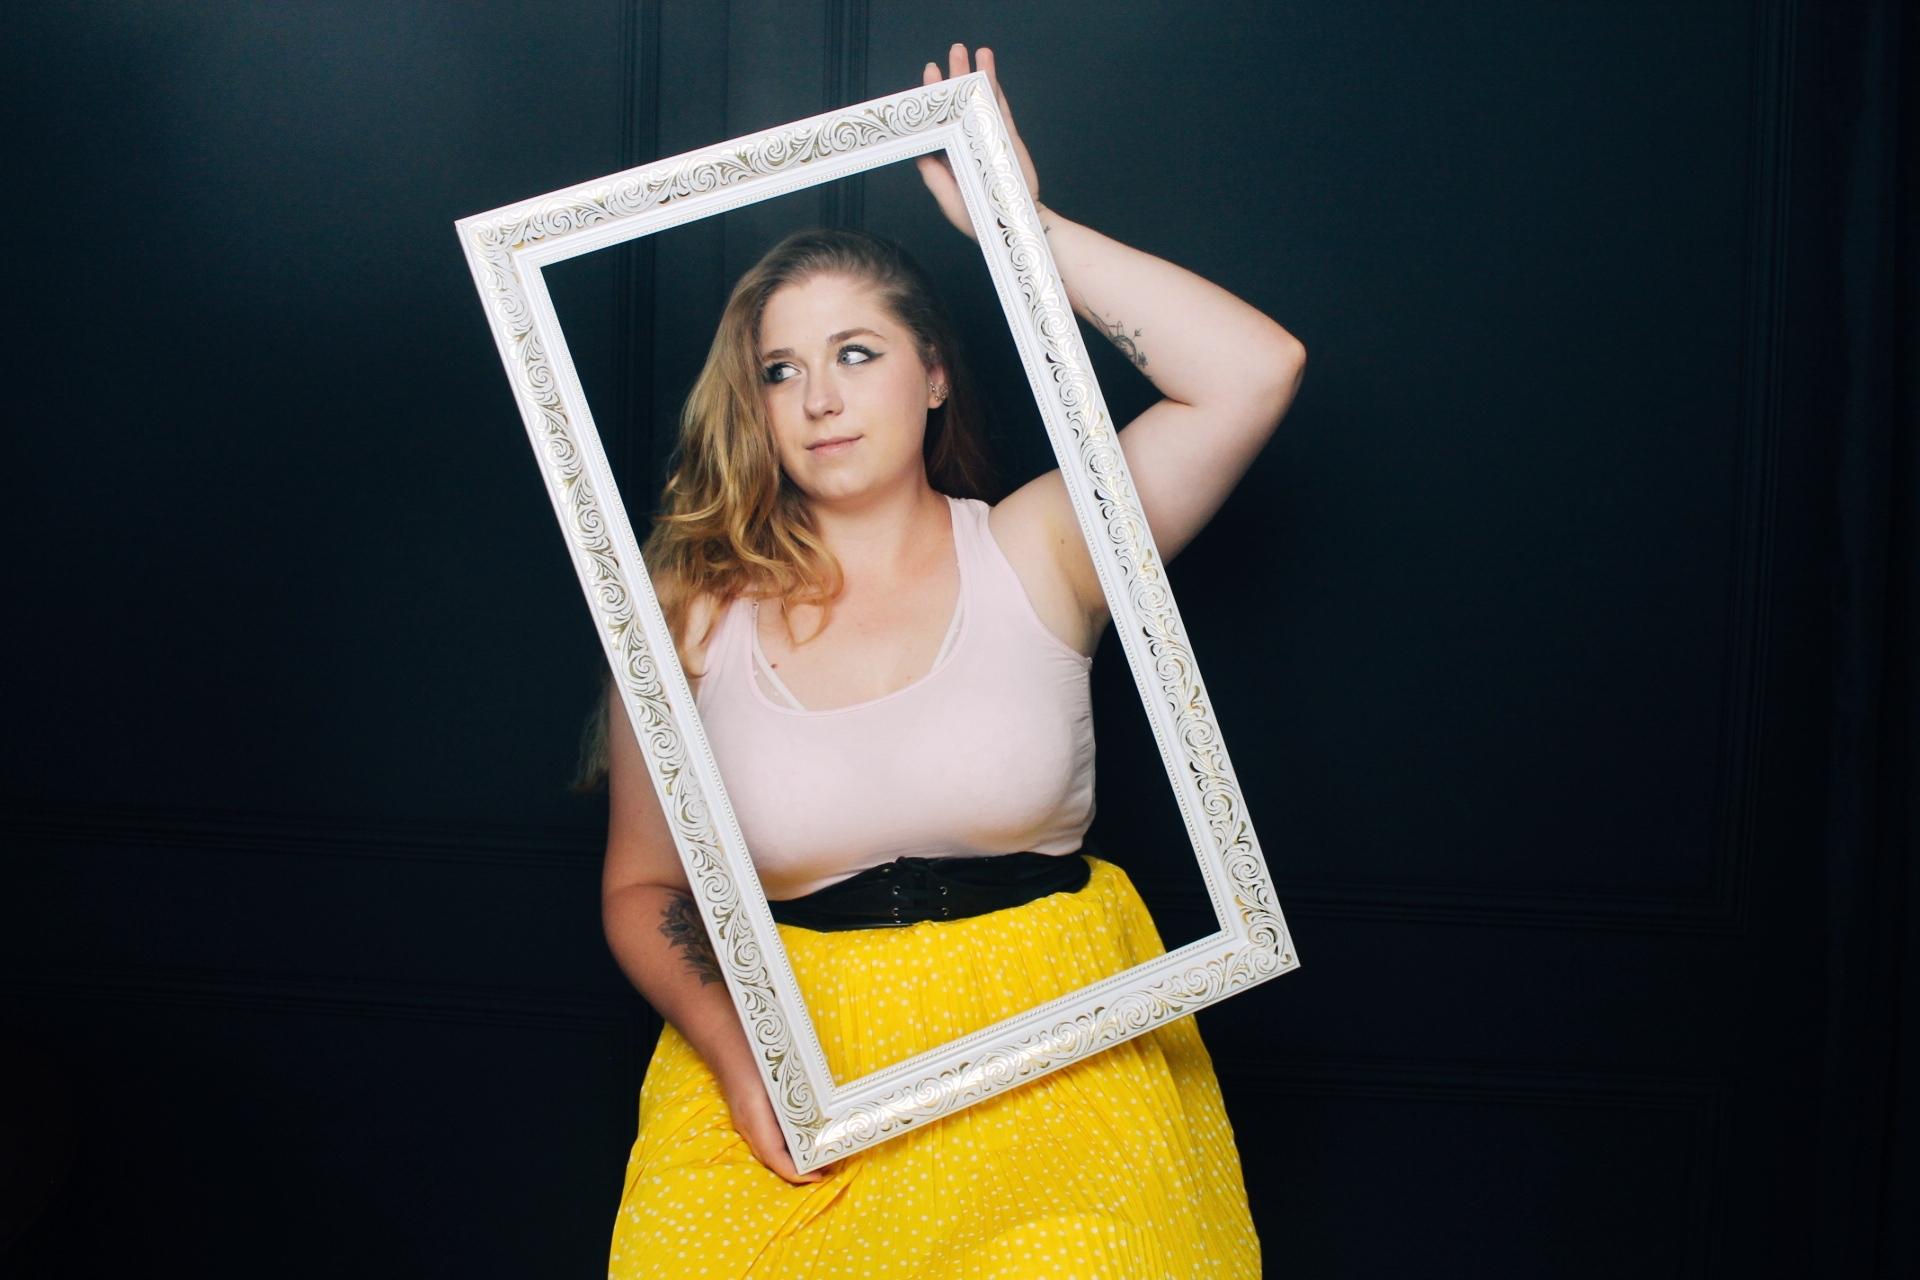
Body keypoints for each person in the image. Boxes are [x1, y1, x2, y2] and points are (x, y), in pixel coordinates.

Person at [578, 44, 1306, 1280]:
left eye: (856, 352)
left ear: (931, 375)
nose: (818, 397)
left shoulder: (1042, 547)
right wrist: (742, 1057)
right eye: (780, 369)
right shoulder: (691, 611)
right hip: (800, 1069)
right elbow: (645, 884)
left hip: (1055, 1059)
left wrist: (1015, 223)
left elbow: (1251, 372)